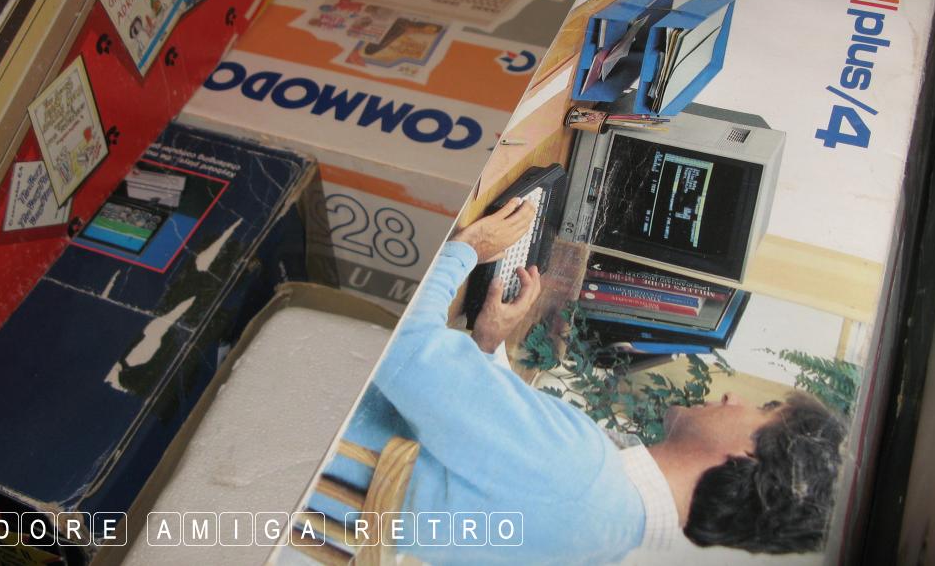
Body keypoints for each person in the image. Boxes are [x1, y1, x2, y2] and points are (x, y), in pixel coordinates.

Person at [308, 201, 846, 564]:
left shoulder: (581, 471)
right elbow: (477, 476)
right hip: (309, 478)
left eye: (764, 410)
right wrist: (488, 345)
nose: (734, 398)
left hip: (315, 398)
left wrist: (472, 246)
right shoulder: (602, 542)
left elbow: (404, 342)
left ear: (748, 454)